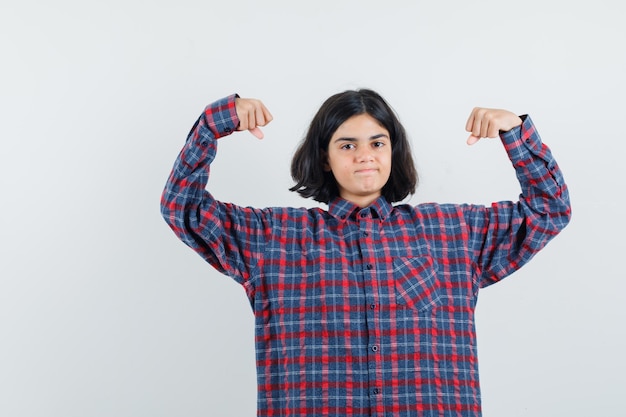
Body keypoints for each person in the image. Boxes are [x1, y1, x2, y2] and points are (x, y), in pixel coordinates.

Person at [161, 89, 571, 416]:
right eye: (347, 145)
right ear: (325, 157)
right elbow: (184, 209)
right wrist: (213, 125)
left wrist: (515, 133)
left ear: (393, 150)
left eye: (377, 141)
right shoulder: (273, 238)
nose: (364, 155)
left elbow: (550, 209)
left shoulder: (452, 232)